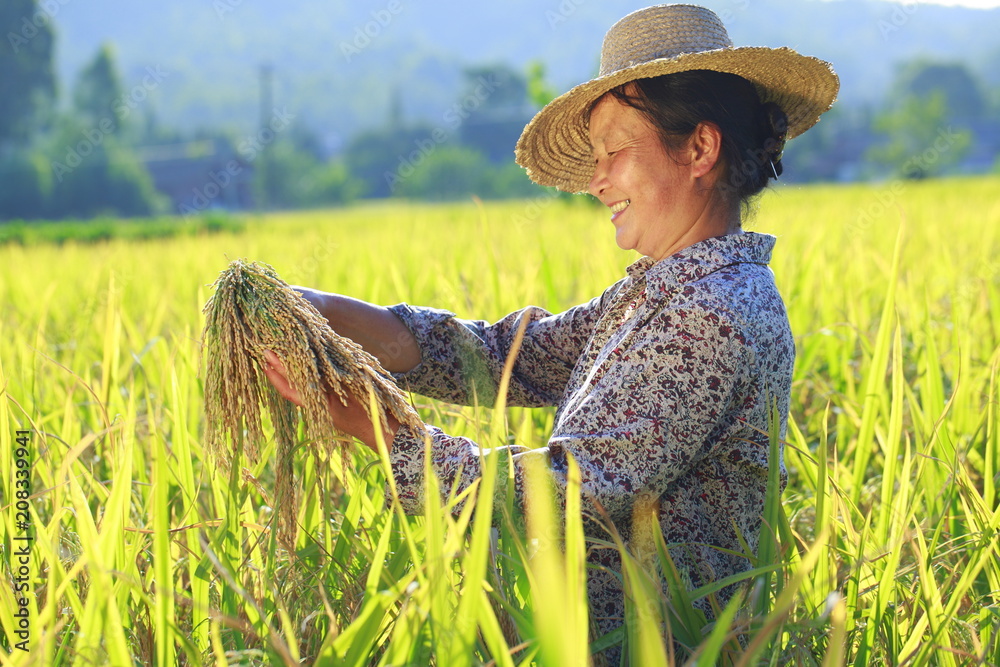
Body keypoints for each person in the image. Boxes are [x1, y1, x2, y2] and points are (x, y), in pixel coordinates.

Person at [263, 3, 838, 658]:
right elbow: (512, 356)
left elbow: (565, 493)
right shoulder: (660, 291)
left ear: (700, 148)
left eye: (615, 152)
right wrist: (329, 315)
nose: (596, 182)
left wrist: (377, 423)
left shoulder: (713, 314)